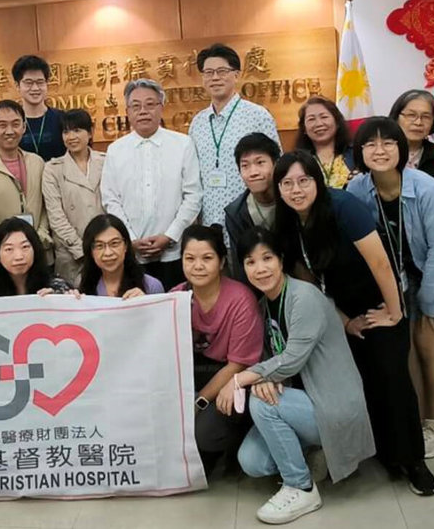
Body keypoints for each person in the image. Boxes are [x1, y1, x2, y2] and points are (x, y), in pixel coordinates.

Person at [274, 151, 434, 495]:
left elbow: (381, 263)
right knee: (361, 380)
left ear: (318, 181)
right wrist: (344, 321)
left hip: (379, 298)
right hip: (340, 308)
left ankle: (413, 461)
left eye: (304, 180)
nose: (296, 190)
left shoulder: (342, 206)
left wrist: (394, 312)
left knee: (392, 377)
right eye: (287, 183)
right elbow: (304, 277)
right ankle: (382, 453)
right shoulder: (287, 221)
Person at [226, 228, 375, 524]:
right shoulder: (263, 305)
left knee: (262, 402)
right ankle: (314, 453)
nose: (260, 268)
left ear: (281, 260)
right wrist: (265, 378)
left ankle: (301, 487)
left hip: (330, 404)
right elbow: (269, 359)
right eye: (250, 262)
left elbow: (291, 359)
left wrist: (240, 380)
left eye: (267, 258)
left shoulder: (304, 296)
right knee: (252, 461)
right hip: (298, 402)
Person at [346, 117, 434, 459]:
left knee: (429, 344)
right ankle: (415, 421)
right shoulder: (356, 189)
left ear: (401, 148)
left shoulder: (428, 188)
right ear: (359, 152)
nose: (379, 150)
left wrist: (428, 302)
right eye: (370, 144)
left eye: (388, 142)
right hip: (402, 272)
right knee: (408, 348)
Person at [170, 225, 263, 474]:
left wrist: (199, 403)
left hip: (231, 377)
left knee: (205, 432)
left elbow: (238, 364)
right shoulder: (176, 296)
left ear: (221, 262)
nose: (198, 266)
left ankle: (236, 441)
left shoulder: (241, 299)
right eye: (190, 258)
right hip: (193, 373)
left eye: (207, 258)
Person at [101, 79, 203, 290]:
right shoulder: (115, 150)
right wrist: (130, 239)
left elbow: (193, 196)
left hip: (174, 253)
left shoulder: (183, 144)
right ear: (128, 112)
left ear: (161, 107)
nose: (143, 111)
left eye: (150, 104)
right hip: (131, 255)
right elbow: (110, 199)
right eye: (136, 106)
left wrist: (169, 236)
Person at [189, 44, 280, 231]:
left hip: (250, 220)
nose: (215, 78)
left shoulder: (258, 116)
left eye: (222, 71)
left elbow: (277, 166)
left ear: (236, 75)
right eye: (208, 72)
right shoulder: (197, 123)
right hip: (209, 222)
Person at [0, 100, 52, 252]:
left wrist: (40, 234)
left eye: (15, 124)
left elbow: (46, 205)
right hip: (1, 250)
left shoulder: (37, 162)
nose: (10, 131)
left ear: (24, 127)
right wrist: (9, 241)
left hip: (39, 248)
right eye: (2, 125)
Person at [42, 108, 106, 284]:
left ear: (90, 132)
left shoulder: (106, 162)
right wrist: (82, 250)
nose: (71, 137)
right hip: (72, 255)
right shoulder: (52, 169)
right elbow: (56, 217)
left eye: (77, 130)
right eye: (66, 132)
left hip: (106, 249)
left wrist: (103, 246)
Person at [225, 132, 281, 281]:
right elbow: (241, 267)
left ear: (276, 164)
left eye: (260, 162)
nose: (253, 172)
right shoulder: (235, 214)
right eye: (245, 166)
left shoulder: (292, 200)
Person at [0, 217, 74, 298]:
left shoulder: (56, 287)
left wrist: (68, 298)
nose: (18, 256)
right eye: (9, 249)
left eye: (25, 247)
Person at [78, 214, 164, 298]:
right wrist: (72, 300)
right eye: (99, 246)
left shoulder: (151, 286)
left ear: (126, 245)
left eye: (114, 243)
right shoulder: (84, 287)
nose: (108, 253)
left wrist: (145, 302)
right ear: (91, 251)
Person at [293, 97, 355, 189]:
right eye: (311, 119)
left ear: (337, 122)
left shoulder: (356, 155)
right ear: (304, 128)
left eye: (324, 117)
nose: (319, 124)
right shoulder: (296, 161)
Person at [13, 54, 65, 161]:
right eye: (28, 83)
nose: (35, 88)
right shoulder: (11, 122)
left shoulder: (62, 119)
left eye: (40, 82)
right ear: (17, 86)